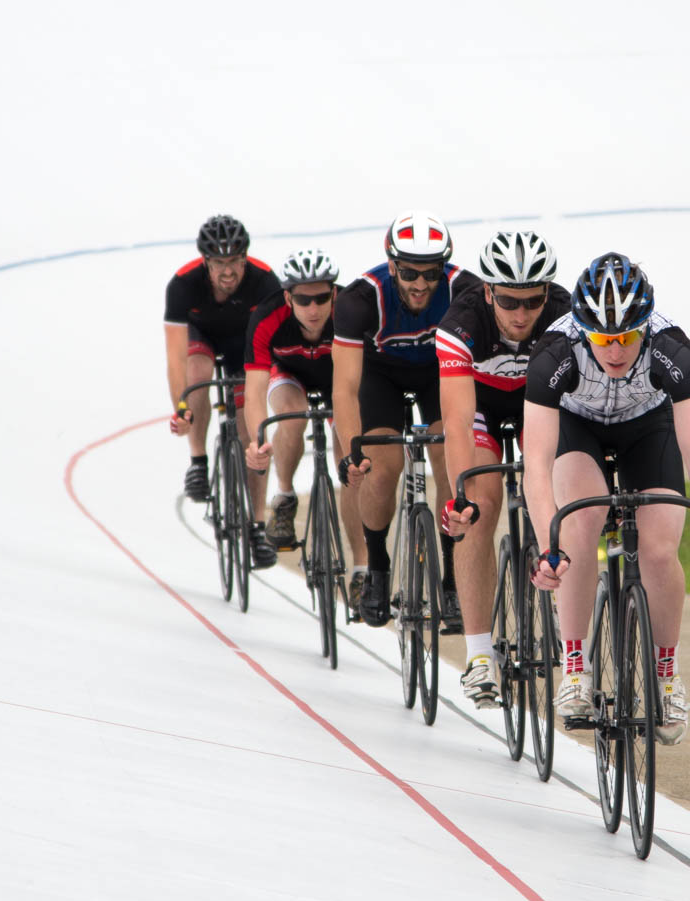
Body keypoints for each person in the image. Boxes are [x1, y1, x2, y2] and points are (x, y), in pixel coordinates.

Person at [523, 251, 690, 744]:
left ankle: (666, 674)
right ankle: (575, 669)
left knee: (660, 549)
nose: (615, 349)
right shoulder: (555, 353)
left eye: (626, 336)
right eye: (602, 338)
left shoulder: (673, 351)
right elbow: (536, 464)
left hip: (648, 428)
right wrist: (547, 548)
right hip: (579, 429)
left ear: (645, 328)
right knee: (579, 524)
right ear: (582, 328)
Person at [436, 229, 568, 706]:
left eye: (533, 301)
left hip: (538, 407)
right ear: (488, 291)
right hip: (482, 410)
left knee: (558, 494)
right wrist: (460, 497)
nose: (520, 314)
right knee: (483, 505)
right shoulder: (461, 323)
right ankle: (477, 655)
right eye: (509, 300)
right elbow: (454, 423)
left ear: (547, 294)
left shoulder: (566, 318)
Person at [332, 211, 480, 627]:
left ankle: (452, 578)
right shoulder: (360, 299)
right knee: (381, 469)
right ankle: (377, 566)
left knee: (452, 467)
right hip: (380, 378)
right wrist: (351, 451)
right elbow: (344, 387)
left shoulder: (463, 290)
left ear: (444, 267)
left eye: (431, 273)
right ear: (393, 265)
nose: (420, 284)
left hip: (439, 374)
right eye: (410, 272)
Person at [243, 248, 368, 616]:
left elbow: (366, 381)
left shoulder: (350, 311)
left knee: (351, 462)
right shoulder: (267, 317)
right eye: (302, 299)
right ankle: (283, 496)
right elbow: (253, 391)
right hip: (290, 377)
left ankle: (361, 568)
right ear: (287, 298)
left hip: (338, 381)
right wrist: (256, 441)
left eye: (321, 297)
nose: (313, 308)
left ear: (334, 293)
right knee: (291, 414)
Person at [164, 214, 279, 568]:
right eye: (219, 264)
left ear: (245, 258)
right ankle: (198, 461)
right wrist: (181, 409)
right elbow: (174, 359)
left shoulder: (265, 282)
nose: (227, 272)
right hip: (203, 339)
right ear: (205, 262)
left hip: (246, 347)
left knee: (252, 436)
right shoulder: (183, 284)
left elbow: (273, 346)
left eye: (234, 262)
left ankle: (257, 525)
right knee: (197, 371)